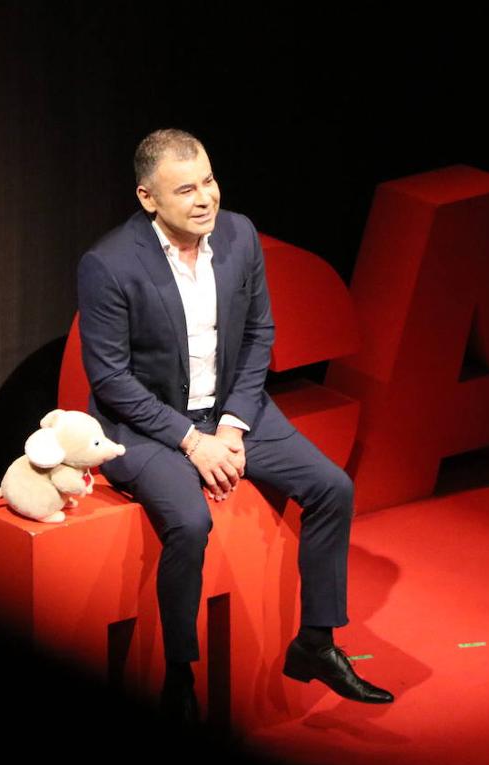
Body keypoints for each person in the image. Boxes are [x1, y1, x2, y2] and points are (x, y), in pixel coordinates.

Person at [75, 128, 394, 725]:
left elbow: (259, 336)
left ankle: (317, 641)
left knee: (333, 489)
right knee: (191, 523)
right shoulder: (109, 264)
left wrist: (233, 425)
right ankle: (179, 677)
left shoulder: (240, 234)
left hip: (229, 412)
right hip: (143, 426)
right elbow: (112, 380)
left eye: (210, 181)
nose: (205, 199)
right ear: (148, 199)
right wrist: (192, 440)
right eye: (186, 189)